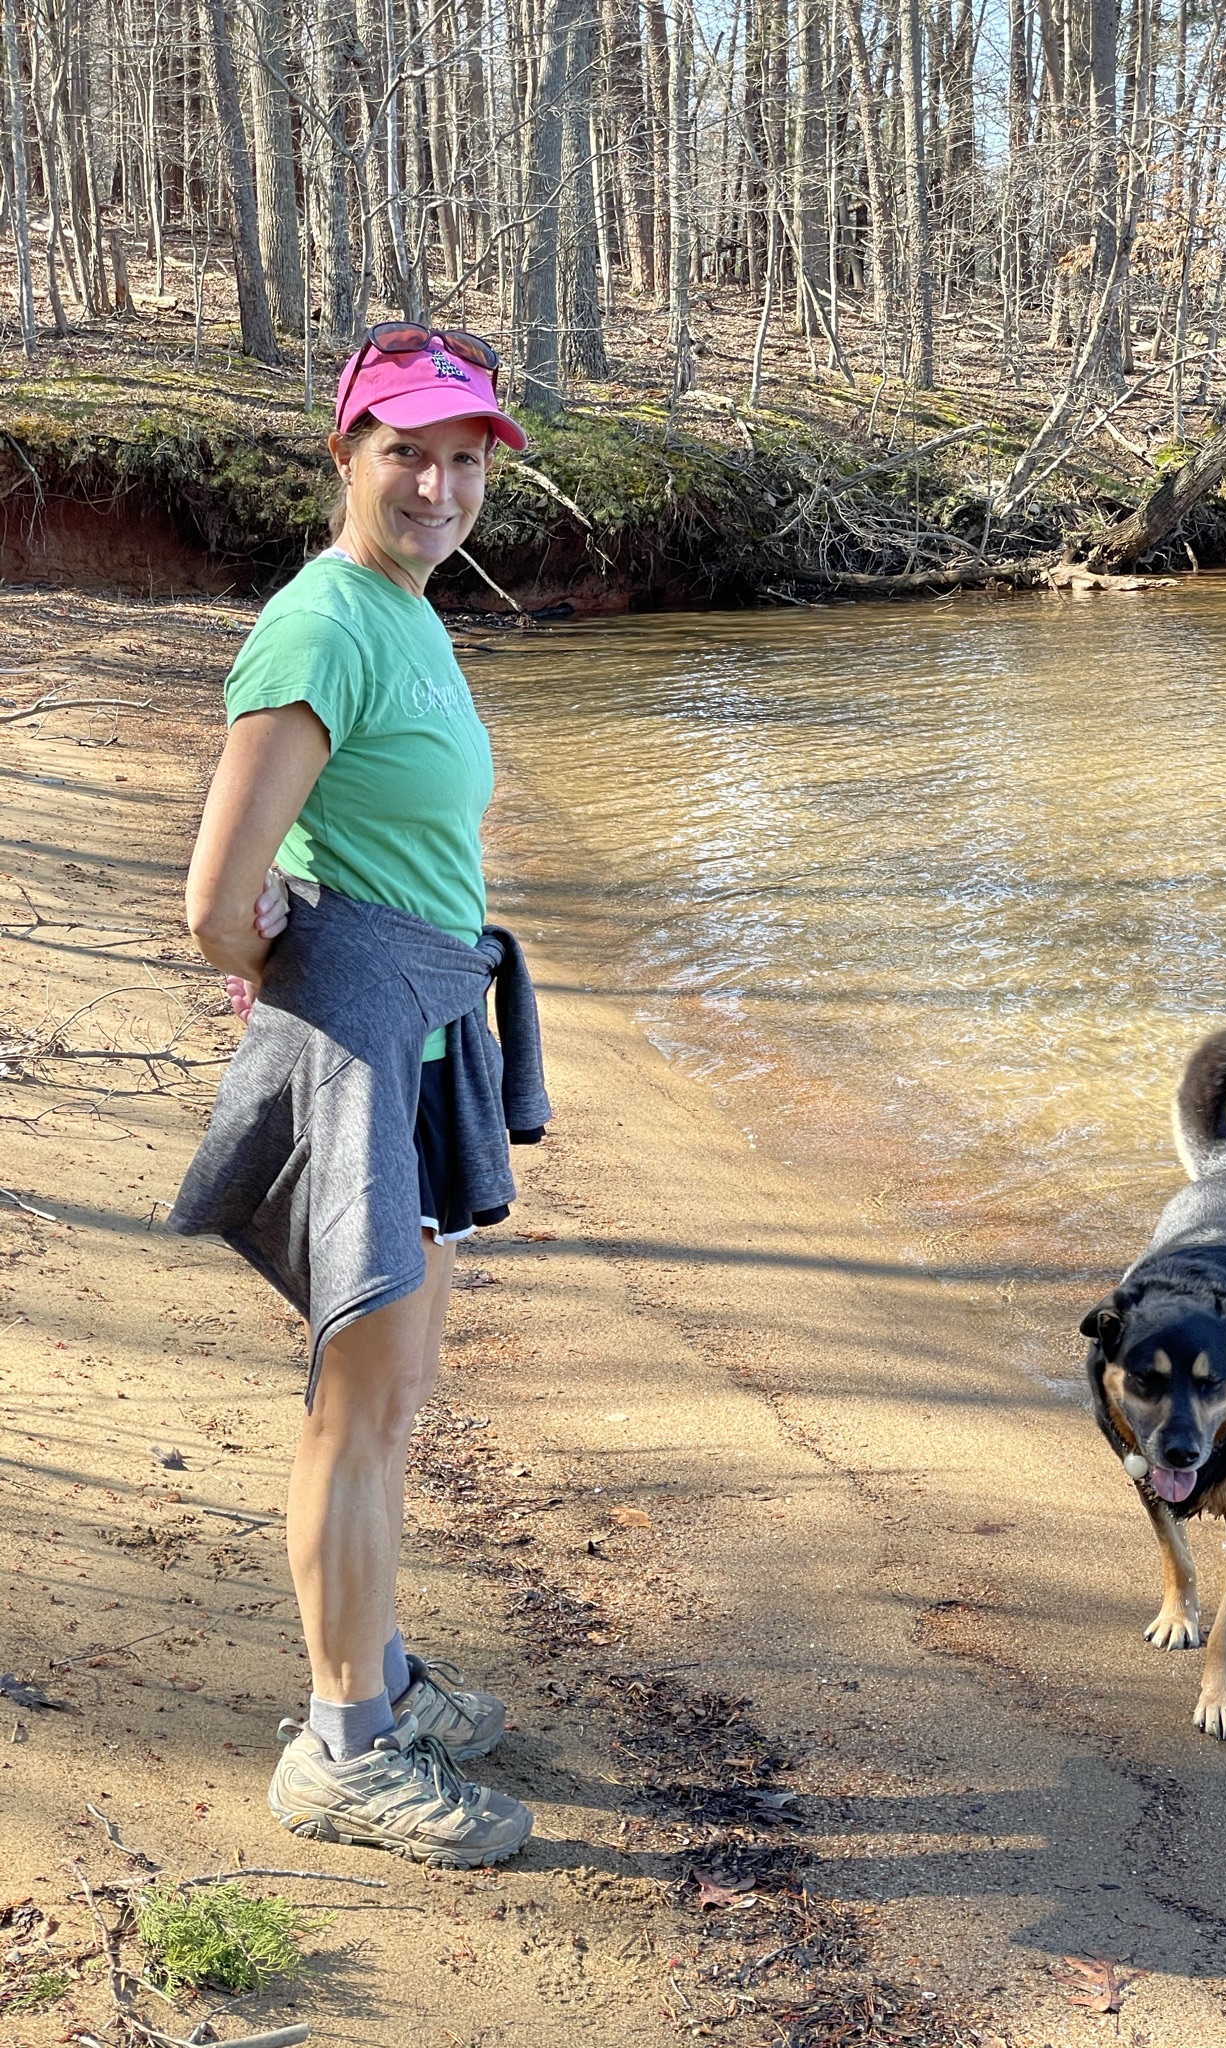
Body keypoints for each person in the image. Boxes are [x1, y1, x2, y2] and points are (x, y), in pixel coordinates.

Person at [174, 325, 547, 1868]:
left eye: (467, 460)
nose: (441, 485)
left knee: (393, 1396)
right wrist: (321, 976)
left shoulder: (408, 612)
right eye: (409, 450)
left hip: (415, 1030)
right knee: (360, 1401)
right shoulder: (321, 623)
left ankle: (378, 1671)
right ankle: (342, 1747)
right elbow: (214, 902)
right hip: (360, 1049)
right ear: (348, 455)